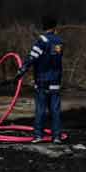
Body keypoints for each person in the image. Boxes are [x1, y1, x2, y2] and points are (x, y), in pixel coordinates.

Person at [16, 15, 65, 143]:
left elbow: (32, 57)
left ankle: (38, 136)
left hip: (42, 81)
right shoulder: (59, 42)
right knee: (55, 110)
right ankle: (56, 137)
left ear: (44, 26)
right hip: (55, 81)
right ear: (55, 27)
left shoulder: (41, 41)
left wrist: (21, 71)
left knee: (41, 109)